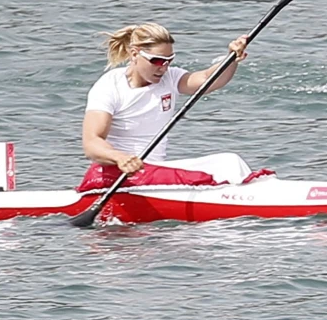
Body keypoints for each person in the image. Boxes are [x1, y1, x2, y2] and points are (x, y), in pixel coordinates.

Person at [79, 22, 271, 192]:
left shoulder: (170, 77)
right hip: (116, 174)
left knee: (230, 161)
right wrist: (120, 158)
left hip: (154, 173)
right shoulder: (109, 86)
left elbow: (207, 79)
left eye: (169, 61)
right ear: (134, 53)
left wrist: (231, 58)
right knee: (211, 174)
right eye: (157, 61)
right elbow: (92, 142)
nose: (163, 68)